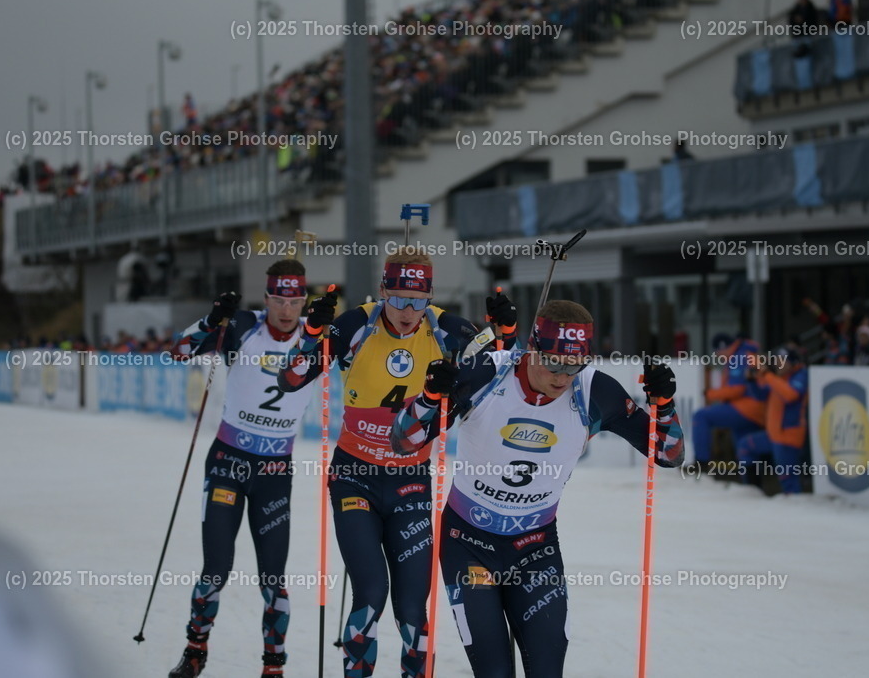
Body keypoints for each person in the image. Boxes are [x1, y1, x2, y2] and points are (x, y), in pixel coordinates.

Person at [389, 300, 684, 677]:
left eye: (574, 365)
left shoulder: (594, 390)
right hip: (467, 543)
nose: (563, 376)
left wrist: (665, 404)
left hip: (535, 547)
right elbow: (404, 442)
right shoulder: (487, 374)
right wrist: (430, 397)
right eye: (554, 362)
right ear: (532, 349)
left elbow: (669, 453)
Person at [277, 247, 518, 678]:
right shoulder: (358, 323)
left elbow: (503, 364)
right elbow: (292, 378)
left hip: (410, 481)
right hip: (355, 477)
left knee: (411, 608)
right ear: (384, 290)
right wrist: (313, 331)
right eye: (399, 299)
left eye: (419, 300)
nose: (408, 311)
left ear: (430, 297)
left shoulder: (446, 330)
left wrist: (507, 331)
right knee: (371, 594)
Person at [167, 259, 317, 678]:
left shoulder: (316, 335)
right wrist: (212, 319)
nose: (286, 310)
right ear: (266, 298)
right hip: (229, 462)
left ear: (302, 300)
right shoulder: (243, 325)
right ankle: (195, 649)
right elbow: (178, 351)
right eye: (278, 300)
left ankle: (274, 666)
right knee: (216, 566)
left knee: (273, 575)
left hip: (274, 471)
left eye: (294, 300)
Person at [736, 347, 809, 494]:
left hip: (788, 436)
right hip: (773, 434)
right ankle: (754, 493)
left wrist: (767, 374)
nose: (778, 364)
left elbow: (790, 395)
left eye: (782, 361)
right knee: (745, 446)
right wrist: (752, 381)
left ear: (792, 363)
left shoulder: (801, 375)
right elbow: (761, 396)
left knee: (788, 481)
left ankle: (798, 511)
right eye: (776, 361)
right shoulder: (778, 377)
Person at [691, 333, 766, 471]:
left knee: (701, 416)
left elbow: (737, 390)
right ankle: (752, 483)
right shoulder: (745, 354)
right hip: (756, 410)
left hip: (747, 409)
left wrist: (710, 394)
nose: (718, 356)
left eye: (717, 352)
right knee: (745, 449)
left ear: (722, 348)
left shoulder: (739, 357)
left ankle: (701, 462)